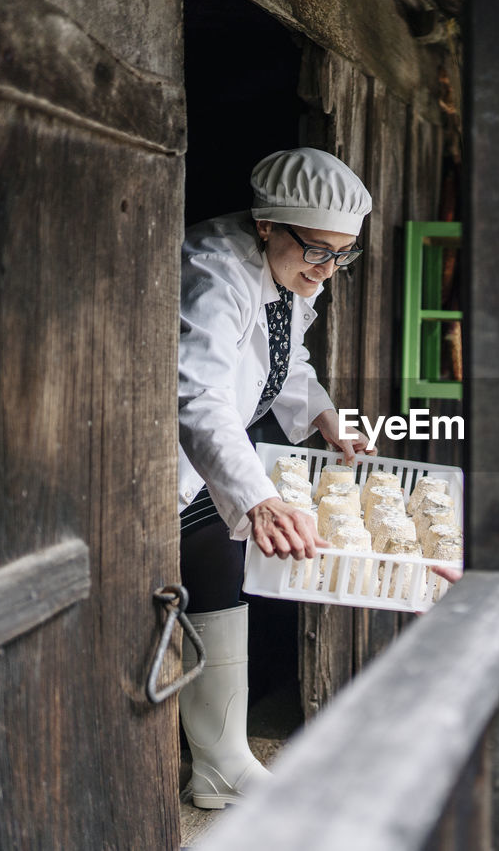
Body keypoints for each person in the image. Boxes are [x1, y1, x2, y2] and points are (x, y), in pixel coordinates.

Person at [175, 148, 376, 808]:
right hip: (167, 456)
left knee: (222, 568)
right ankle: (220, 758)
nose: (327, 270)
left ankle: (219, 760)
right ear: (267, 225)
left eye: (341, 255)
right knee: (210, 560)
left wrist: (325, 418)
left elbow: (287, 364)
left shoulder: (288, 277)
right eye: (318, 251)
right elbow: (198, 392)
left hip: (213, 459)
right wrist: (258, 497)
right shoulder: (216, 271)